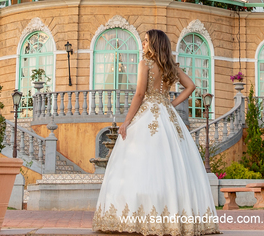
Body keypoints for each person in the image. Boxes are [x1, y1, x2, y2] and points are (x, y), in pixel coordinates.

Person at [93, 29, 221, 235]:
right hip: (167, 116)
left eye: (145, 41)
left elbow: (140, 94)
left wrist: (126, 122)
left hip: (148, 113)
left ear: (153, 44)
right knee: (171, 164)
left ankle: (138, 217)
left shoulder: (145, 63)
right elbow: (191, 86)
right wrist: (171, 103)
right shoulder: (170, 66)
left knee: (141, 163)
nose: (142, 44)